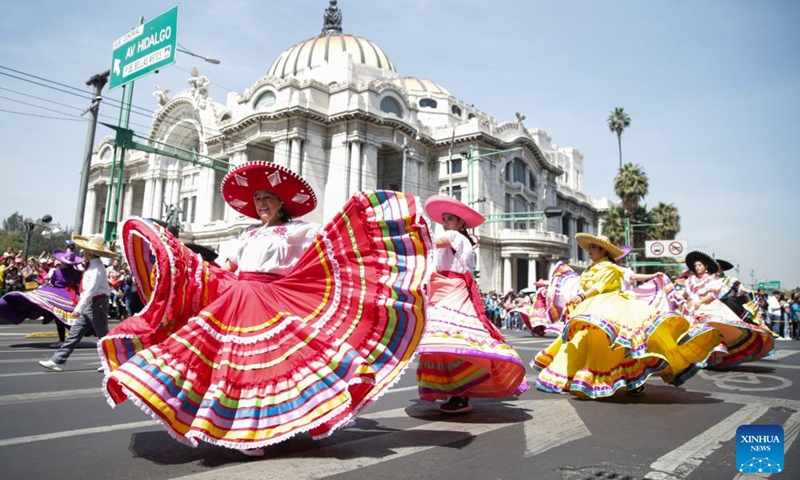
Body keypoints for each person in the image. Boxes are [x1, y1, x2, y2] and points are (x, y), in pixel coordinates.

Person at [98, 161, 432, 454]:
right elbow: (227, 267)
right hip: (236, 298)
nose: (260, 204)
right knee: (230, 366)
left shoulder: (300, 231)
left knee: (263, 367)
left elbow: (323, 255)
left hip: (271, 299)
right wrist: (188, 268)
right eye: (257, 199)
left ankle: (261, 431)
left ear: (281, 202)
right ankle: (245, 429)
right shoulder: (246, 234)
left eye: (266, 198)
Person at [532, 234, 720, 399]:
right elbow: (581, 284)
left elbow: (612, 283)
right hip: (591, 307)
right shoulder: (591, 269)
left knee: (622, 343)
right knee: (587, 342)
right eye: (589, 247)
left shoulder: (609, 268)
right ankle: (578, 377)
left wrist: (653, 275)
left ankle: (634, 382)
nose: (590, 250)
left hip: (611, 305)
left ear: (603, 251)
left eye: (594, 247)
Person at [416, 195, 529, 413]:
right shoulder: (453, 238)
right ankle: (457, 391)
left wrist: (413, 234)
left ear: (460, 223)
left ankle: (462, 394)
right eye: (444, 219)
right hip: (442, 289)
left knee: (453, 340)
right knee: (444, 345)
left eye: (450, 219)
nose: (445, 222)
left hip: (454, 291)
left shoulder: (456, 237)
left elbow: (436, 242)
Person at [680, 251, 774, 367]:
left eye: (699, 265)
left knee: (710, 331)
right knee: (690, 333)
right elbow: (684, 294)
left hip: (707, 307)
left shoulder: (712, 280)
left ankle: (713, 357)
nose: (697, 267)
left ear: (706, 266)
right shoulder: (690, 280)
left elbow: (713, 294)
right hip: (690, 309)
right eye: (695, 265)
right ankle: (695, 358)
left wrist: (699, 302)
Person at [39, 235, 115, 372]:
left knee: (103, 335)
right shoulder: (91, 266)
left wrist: (79, 307)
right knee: (75, 333)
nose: (83, 253)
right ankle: (58, 360)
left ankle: (111, 363)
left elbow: (91, 290)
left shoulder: (97, 268)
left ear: (91, 253)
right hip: (90, 303)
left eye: (85, 251)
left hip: (97, 303)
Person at [0, 249, 83, 346]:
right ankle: (72, 339)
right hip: (72, 297)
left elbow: (52, 284)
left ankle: (62, 340)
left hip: (57, 295)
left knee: (59, 320)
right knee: (72, 319)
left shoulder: (57, 272)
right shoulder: (78, 273)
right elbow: (80, 284)